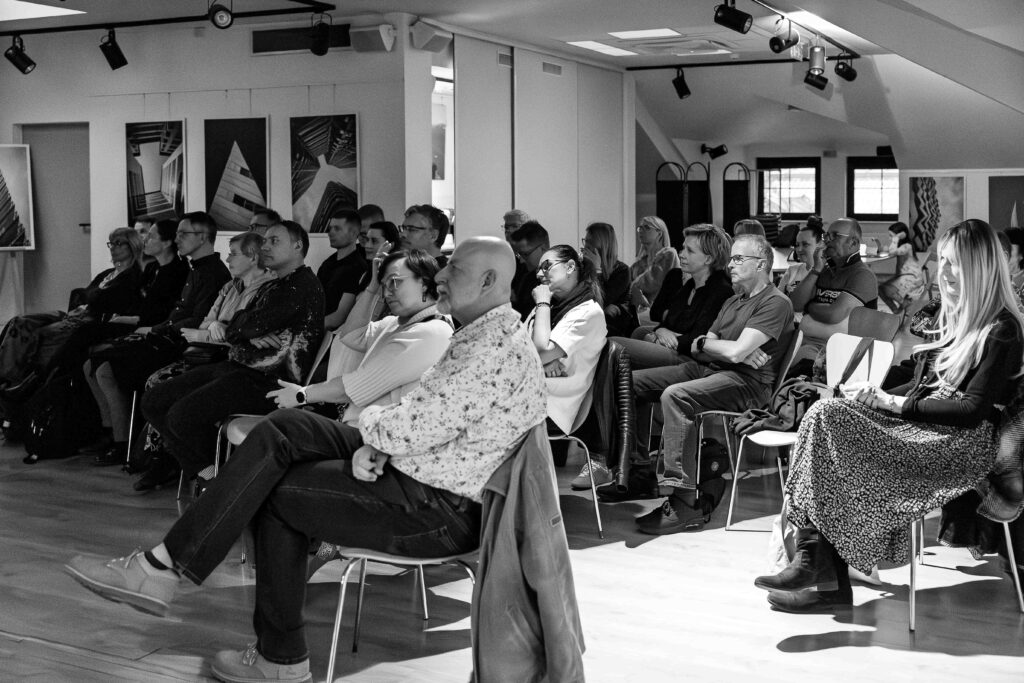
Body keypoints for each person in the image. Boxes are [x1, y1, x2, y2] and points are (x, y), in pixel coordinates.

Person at [66, 237, 547, 683]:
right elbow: (418, 415)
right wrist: (380, 436)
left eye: (453, 269)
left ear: (488, 281)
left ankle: (274, 654)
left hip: (437, 507)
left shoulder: (490, 347)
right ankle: (165, 570)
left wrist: (378, 431)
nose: (441, 276)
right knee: (285, 427)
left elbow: (409, 424)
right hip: (415, 471)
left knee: (274, 491)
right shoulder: (479, 335)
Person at [754, 219, 1024, 613]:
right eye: (943, 262)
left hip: (960, 446)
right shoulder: (955, 319)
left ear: (980, 267)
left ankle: (822, 571)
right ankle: (816, 563)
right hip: (928, 429)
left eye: (955, 264)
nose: (944, 272)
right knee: (825, 414)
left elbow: (970, 411)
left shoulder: (1002, 329)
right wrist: (874, 396)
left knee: (827, 419)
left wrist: (893, 405)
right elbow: (921, 387)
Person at [138, 221, 325, 488]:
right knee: (154, 401)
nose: (265, 246)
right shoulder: (276, 285)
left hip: (270, 381)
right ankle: (210, 475)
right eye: (265, 241)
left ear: (297, 246)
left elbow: (244, 326)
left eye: (274, 241)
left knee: (181, 416)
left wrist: (240, 328)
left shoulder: (301, 285)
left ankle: (219, 483)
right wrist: (241, 328)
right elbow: (241, 323)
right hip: (238, 366)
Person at [635, 234, 793, 535]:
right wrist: (718, 346)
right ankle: (636, 471)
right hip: (709, 369)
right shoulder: (733, 300)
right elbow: (700, 348)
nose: (730, 264)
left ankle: (684, 503)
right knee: (630, 383)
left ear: (761, 264)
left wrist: (722, 347)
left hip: (747, 384)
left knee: (676, 396)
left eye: (738, 259)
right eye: (731, 258)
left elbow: (732, 352)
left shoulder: (776, 303)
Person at [99, 232, 274, 472]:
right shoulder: (230, 287)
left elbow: (245, 334)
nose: (228, 259)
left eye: (234, 254)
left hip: (238, 365)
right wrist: (217, 327)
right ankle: (192, 465)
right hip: (211, 356)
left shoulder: (268, 289)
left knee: (168, 397)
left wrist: (221, 330)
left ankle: (181, 465)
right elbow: (206, 323)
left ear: (253, 258)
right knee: (152, 396)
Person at [268, 247, 452, 429]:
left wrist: (302, 395)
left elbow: (354, 387)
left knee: (282, 425)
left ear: (425, 283)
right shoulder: (397, 324)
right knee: (281, 424)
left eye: (395, 282)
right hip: (360, 427)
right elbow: (351, 336)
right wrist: (372, 289)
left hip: (377, 437)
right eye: (384, 285)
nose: (387, 293)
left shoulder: (432, 332)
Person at [611, 224, 734, 458]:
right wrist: (662, 332)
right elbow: (664, 321)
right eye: (683, 248)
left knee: (613, 345)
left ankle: (625, 454)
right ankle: (630, 456)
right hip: (676, 350)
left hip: (691, 360)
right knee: (625, 364)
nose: (682, 254)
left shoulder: (720, 290)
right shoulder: (690, 284)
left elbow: (698, 341)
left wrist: (670, 335)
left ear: (709, 258)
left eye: (690, 250)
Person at [82, 220, 191, 464]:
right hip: (142, 329)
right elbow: (140, 306)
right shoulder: (152, 270)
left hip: (159, 337)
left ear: (167, 242)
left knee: (104, 368)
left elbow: (161, 315)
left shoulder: (179, 272)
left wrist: (135, 321)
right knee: (90, 364)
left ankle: (122, 442)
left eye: (151, 236)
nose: (145, 241)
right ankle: (109, 430)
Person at [0, 227, 145, 391]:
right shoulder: (107, 273)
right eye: (111, 243)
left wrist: (88, 305)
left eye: (118, 243)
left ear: (132, 246)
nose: (113, 247)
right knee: (20, 322)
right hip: (73, 314)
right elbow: (85, 295)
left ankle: (22, 380)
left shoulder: (133, 277)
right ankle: (5, 376)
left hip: (89, 319)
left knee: (42, 333)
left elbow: (114, 305)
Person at [526, 245, 607, 488]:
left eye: (547, 266)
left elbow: (538, 350)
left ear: (570, 267)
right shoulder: (553, 308)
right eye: (539, 268)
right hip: (534, 393)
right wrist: (542, 362)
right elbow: (521, 347)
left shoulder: (587, 311)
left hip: (552, 407)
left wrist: (542, 303)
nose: (539, 274)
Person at [788, 217, 878, 377]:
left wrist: (810, 307)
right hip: (808, 343)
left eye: (835, 236)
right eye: (826, 236)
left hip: (842, 351)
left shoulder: (863, 275)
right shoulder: (823, 271)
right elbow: (796, 304)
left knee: (796, 373)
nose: (827, 240)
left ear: (853, 243)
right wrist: (816, 270)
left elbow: (833, 315)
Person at [316, 208, 368, 330]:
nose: (330, 233)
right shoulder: (328, 263)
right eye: (330, 228)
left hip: (334, 333)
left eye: (337, 229)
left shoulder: (357, 267)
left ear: (353, 233)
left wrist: (307, 327)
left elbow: (339, 317)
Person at [581, 222, 633, 337]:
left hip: (613, 325)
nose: (585, 246)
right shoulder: (582, 266)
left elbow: (601, 301)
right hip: (587, 320)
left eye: (590, 242)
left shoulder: (622, 270)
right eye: (585, 241)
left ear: (603, 245)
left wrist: (597, 270)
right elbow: (578, 299)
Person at [629, 216, 680, 316]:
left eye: (647, 227)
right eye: (640, 228)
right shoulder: (638, 264)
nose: (641, 231)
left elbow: (651, 282)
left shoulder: (669, 254)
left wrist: (634, 288)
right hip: (639, 312)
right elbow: (625, 286)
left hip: (662, 313)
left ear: (659, 233)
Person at [778, 223, 825, 323]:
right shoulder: (792, 270)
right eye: (797, 245)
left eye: (805, 244)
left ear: (821, 245)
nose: (799, 249)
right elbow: (777, 303)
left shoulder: (828, 274)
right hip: (787, 325)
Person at [879, 221, 926, 313]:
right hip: (905, 276)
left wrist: (896, 238)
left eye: (891, 236)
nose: (890, 238)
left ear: (901, 235)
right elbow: (891, 250)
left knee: (886, 289)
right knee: (880, 289)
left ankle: (904, 303)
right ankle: (895, 310)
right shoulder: (901, 246)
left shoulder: (907, 246)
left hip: (913, 278)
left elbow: (892, 252)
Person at [509, 220, 549, 320]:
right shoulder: (527, 278)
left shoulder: (558, 281)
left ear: (543, 248)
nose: (521, 260)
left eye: (525, 254)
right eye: (519, 255)